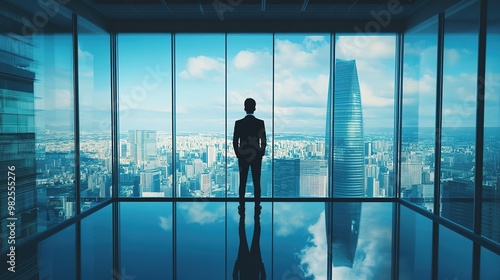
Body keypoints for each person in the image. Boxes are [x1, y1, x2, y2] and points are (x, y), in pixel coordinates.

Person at [233, 98, 266, 201]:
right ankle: (257, 204)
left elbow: (235, 141)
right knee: (257, 182)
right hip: (256, 156)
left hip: (243, 156)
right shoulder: (260, 123)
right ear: (255, 108)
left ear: (244, 108)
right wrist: (261, 154)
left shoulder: (239, 123)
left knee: (242, 182)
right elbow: (263, 141)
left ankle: (241, 204)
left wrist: (238, 154)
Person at [233, 202, 266, 280]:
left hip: (254, 263)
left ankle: (256, 213)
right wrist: (238, 264)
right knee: (243, 236)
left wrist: (260, 265)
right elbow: (234, 276)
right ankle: (242, 213)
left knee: (255, 237)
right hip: (244, 262)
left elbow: (263, 277)